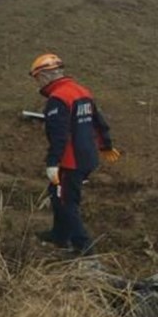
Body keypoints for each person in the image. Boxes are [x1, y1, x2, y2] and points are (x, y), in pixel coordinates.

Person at [30, 53, 120, 256]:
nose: (37, 83)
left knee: (66, 202)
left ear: (45, 75)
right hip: (88, 156)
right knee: (56, 193)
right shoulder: (81, 91)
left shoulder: (58, 99)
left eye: (37, 78)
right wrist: (106, 145)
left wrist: (53, 162)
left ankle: (84, 248)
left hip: (71, 161)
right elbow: (98, 120)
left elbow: (59, 135)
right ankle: (59, 235)